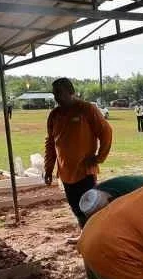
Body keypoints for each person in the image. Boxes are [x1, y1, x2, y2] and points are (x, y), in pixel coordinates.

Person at [44, 77, 114, 231]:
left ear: (71, 92)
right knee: (75, 207)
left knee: (90, 207)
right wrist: (48, 169)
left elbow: (106, 132)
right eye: (54, 94)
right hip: (65, 173)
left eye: (60, 93)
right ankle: (84, 234)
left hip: (84, 172)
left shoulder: (86, 109)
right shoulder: (54, 115)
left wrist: (99, 158)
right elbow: (50, 144)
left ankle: (95, 237)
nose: (57, 97)